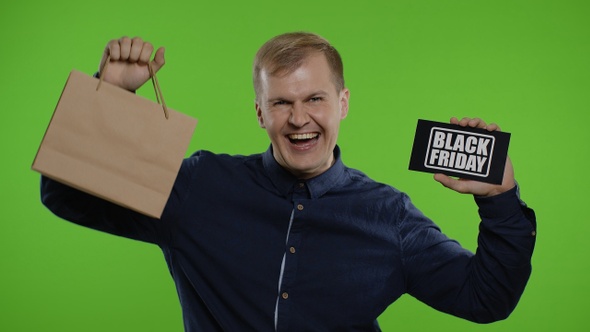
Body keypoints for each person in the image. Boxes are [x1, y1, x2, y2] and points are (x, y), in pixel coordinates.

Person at [41, 32, 536, 331]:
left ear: (342, 104)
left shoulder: (389, 218)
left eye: (316, 99)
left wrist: (500, 199)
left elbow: (485, 298)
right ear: (260, 111)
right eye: (281, 102)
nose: (300, 119)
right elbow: (64, 195)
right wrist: (107, 98)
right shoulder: (198, 186)